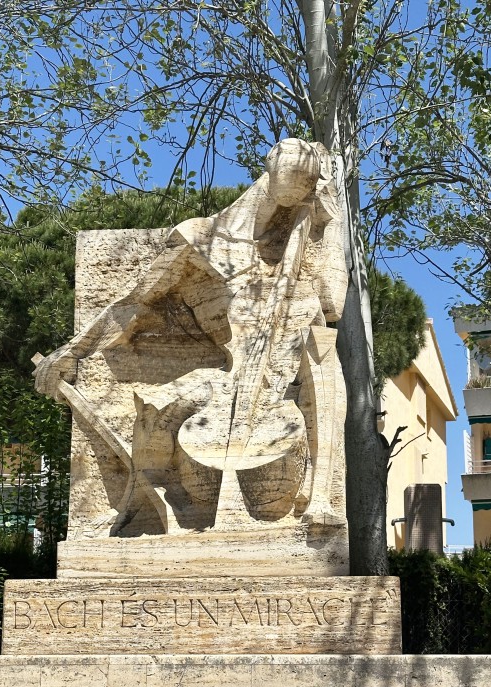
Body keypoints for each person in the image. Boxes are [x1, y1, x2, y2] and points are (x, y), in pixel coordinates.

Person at [34, 138, 348, 536]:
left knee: (321, 348)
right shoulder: (197, 239)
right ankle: (140, 511)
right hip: (225, 377)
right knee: (158, 408)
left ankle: (320, 496)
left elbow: (331, 304)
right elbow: (131, 304)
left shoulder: (303, 239)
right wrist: (73, 352)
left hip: (282, 387)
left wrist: (332, 223)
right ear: (267, 170)